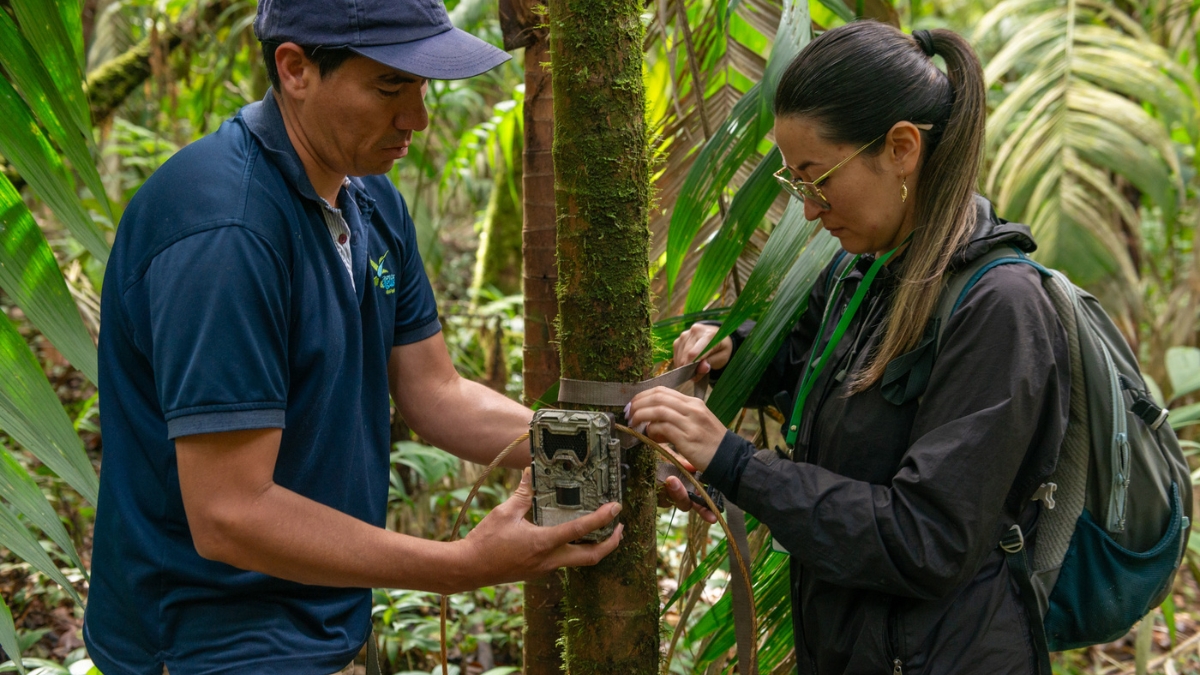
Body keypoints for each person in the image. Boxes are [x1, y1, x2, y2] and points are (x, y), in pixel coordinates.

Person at [82, 1, 704, 672]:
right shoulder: (224, 231)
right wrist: (457, 566)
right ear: (295, 68)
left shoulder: (369, 199)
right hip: (207, 646)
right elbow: (230, 510)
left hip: (323, 625)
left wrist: (608, 455)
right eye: (389, 86)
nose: (417, 117)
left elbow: (435, 389)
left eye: (422, 86)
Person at [628, 21, 1071, 675]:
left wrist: (735, 464)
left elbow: (927, 538)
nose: (808, 211)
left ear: (901, 149)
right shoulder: (859, 271)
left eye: (816, 179)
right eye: (794, 184)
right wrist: (734, 355)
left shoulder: (997, 306)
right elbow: (808, 368)